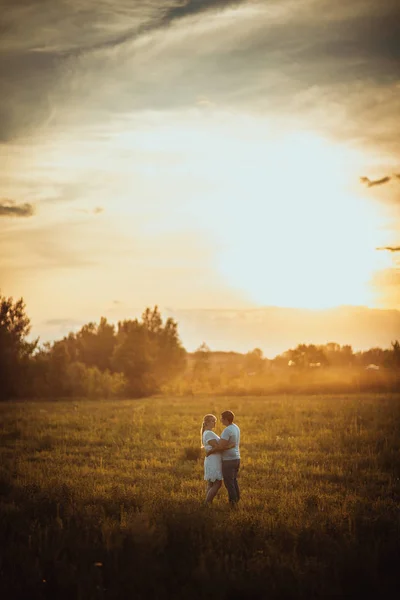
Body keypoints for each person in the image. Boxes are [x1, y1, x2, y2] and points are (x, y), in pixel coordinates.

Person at [206, 410, 240, 506]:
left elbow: (220, 447)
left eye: (221, 418)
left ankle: (232, 503)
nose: (220, 421)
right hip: (237, 458)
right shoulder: (235, 427)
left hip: (229, 460)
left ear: (226, 419)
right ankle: (237, 500)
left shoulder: (227, 430)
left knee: (229, 483)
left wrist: (211, 451)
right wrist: (230, 445)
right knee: (234, 480)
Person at [201, 414, 223, 503]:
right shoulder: (209, 433)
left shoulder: (207, 432)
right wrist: (229, 445)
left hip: (212, 460)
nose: (215, 423)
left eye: (215, 421)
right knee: (217, 483)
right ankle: (207, 502)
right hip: (213, 461)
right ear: (206, 423)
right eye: (213, 421)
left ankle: (206, 503)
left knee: (211, 483)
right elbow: (217, 447)